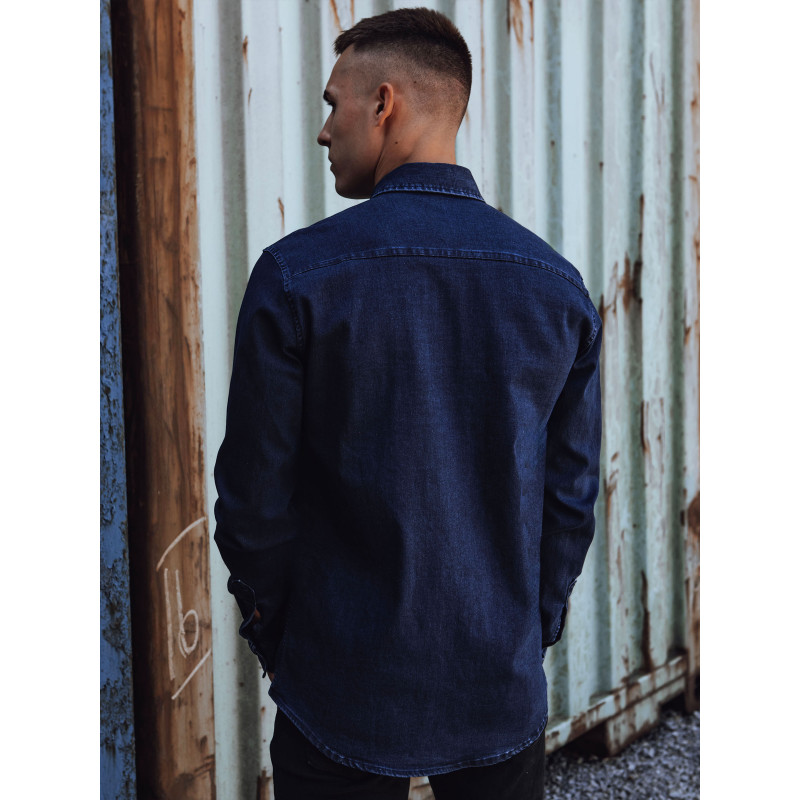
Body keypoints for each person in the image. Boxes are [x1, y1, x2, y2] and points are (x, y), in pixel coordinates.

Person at [213, 8, 602, 799]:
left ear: (383, 103)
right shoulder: (557, 289)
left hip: (337, 684)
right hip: (497, 681)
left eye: (334, 104)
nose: (324, 130)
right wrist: (526, 633)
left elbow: (253, 503)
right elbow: (569, 499)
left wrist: (284, 640)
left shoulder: (295, 277)